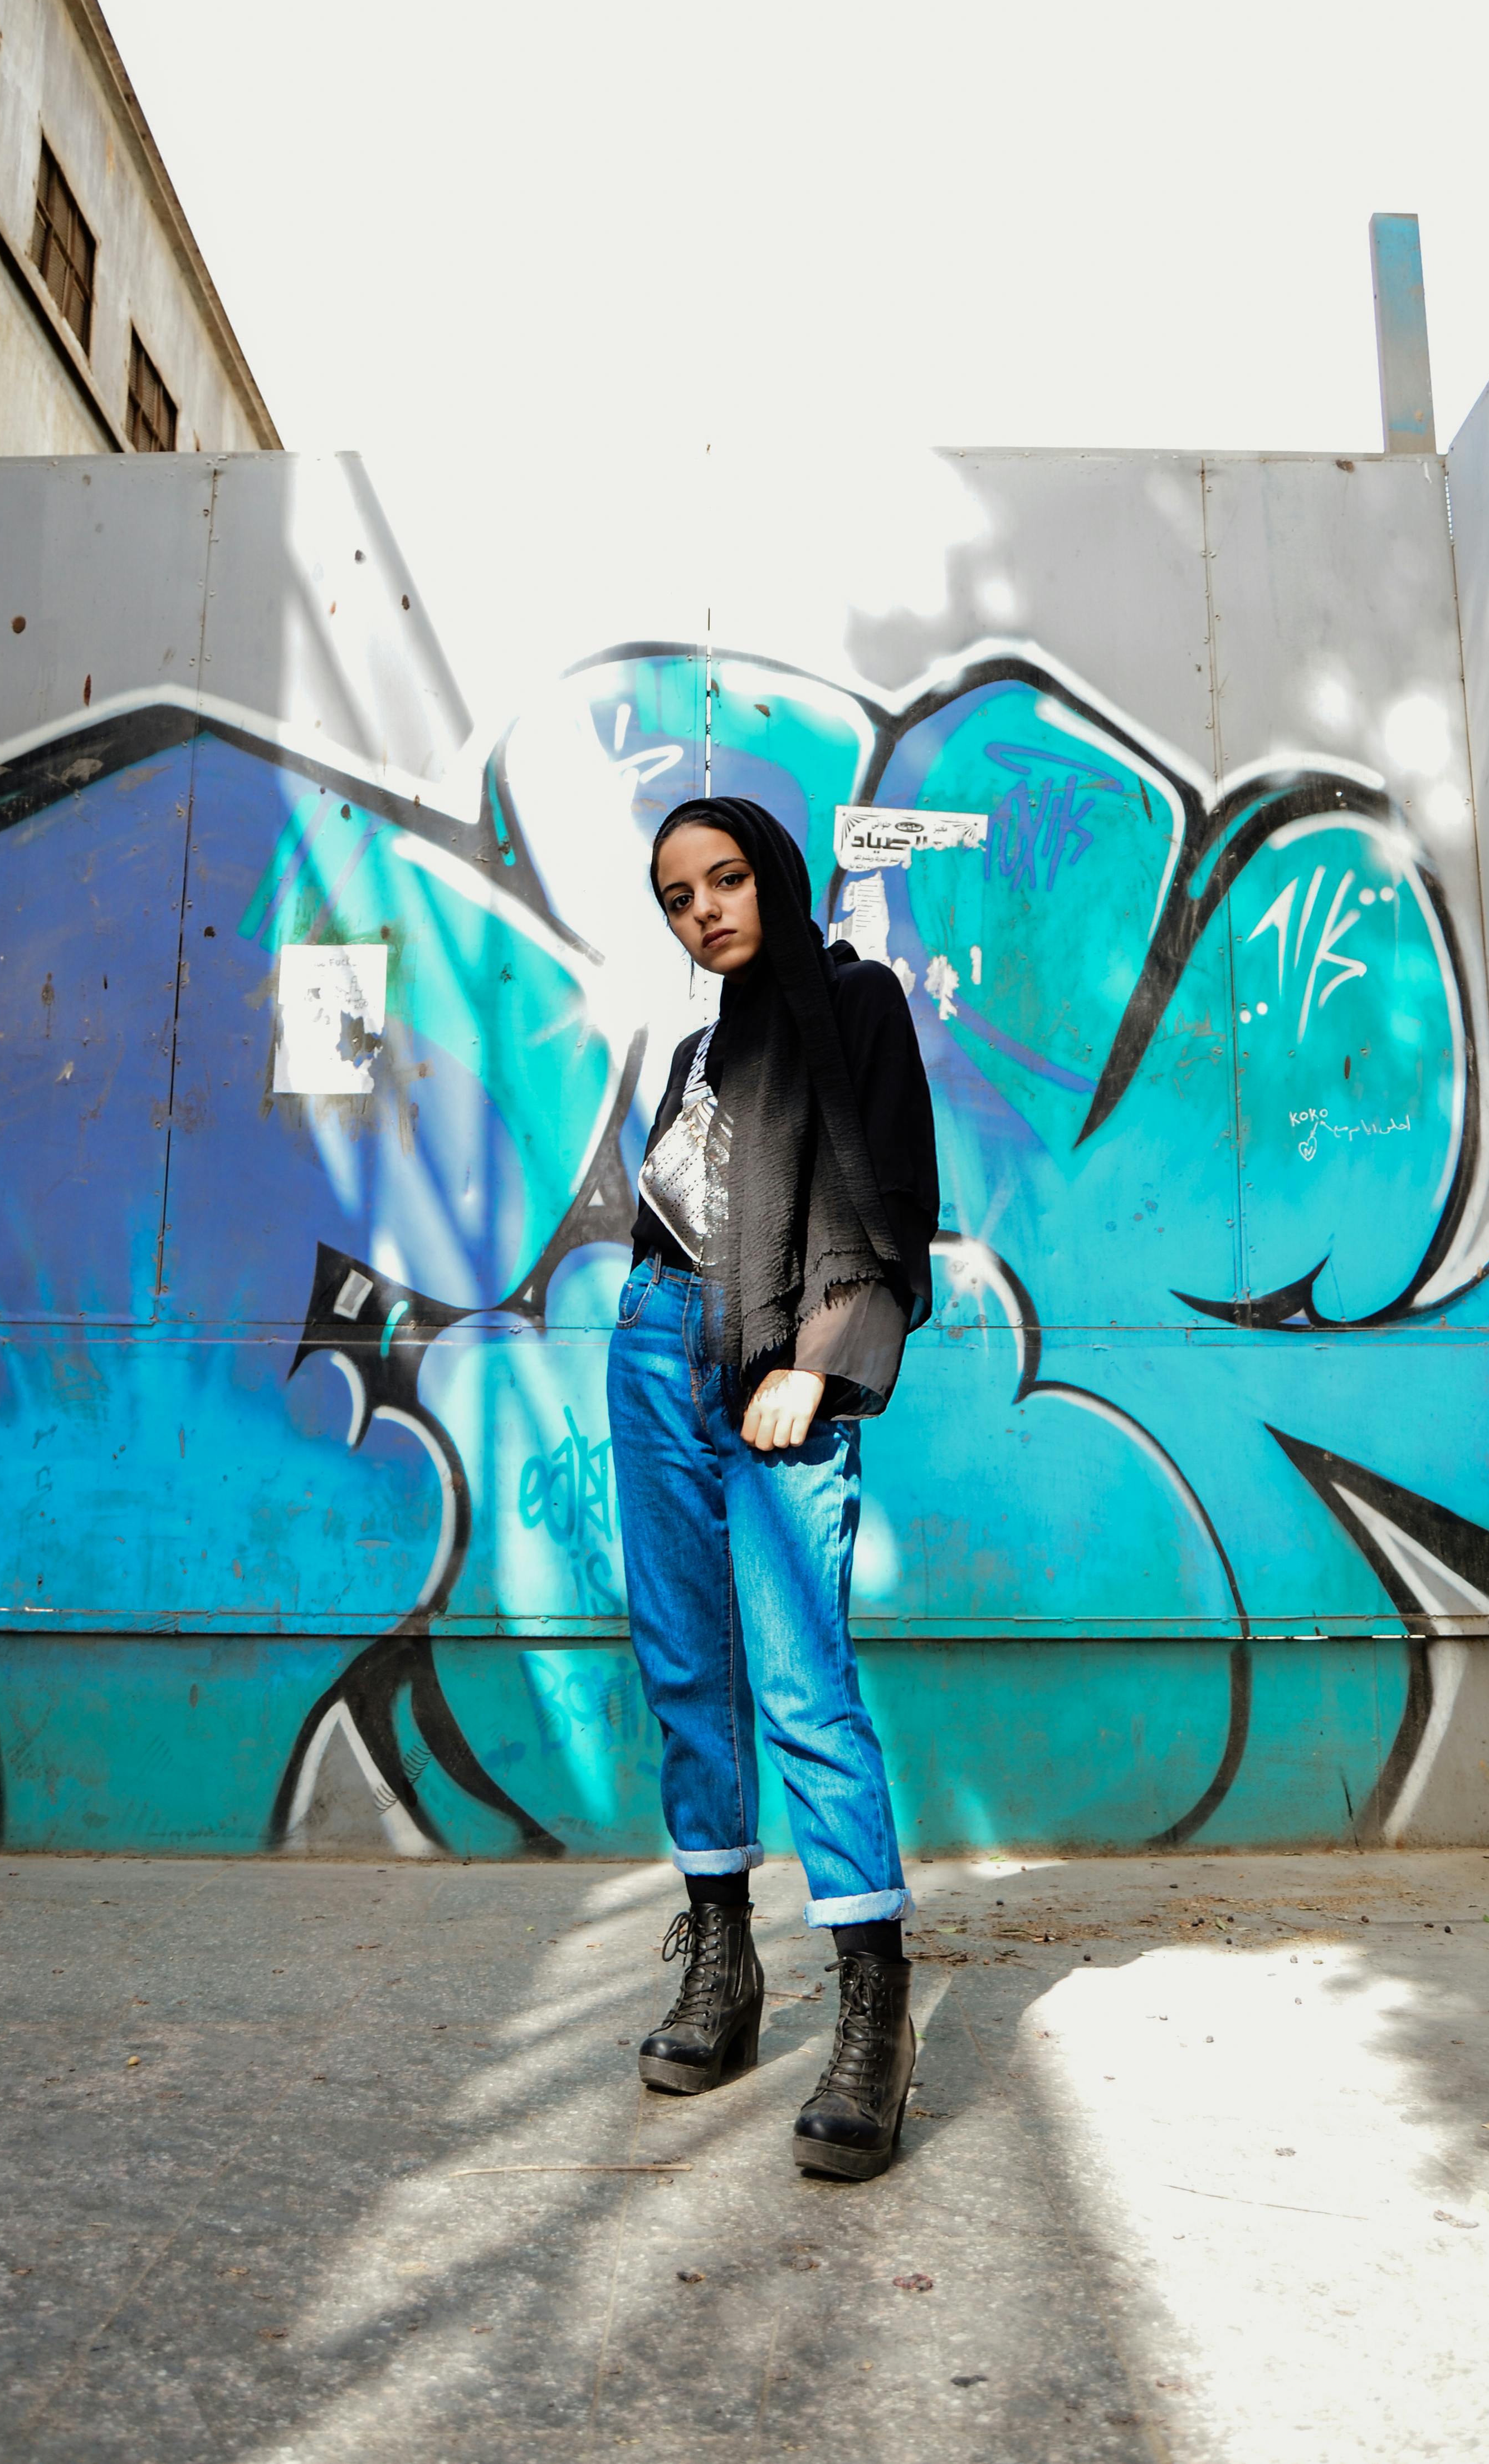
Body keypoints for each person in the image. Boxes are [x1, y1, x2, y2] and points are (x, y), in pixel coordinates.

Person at [608, 794, 940, 2180]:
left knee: (803, 1678)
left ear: (775, 873)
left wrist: (820, 1355)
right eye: (681, 897)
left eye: (727, 878)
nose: (707, 911)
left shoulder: (856, 1006)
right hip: (654, 1343)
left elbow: (891, 1198)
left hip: (778, 1356)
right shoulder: (700, 1047)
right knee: (689, 1668)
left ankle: (872, 2010)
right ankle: (723, 1968)